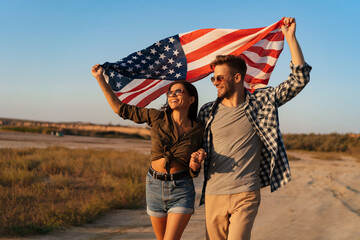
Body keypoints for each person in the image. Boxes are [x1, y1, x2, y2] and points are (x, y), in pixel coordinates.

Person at [189, 17, 312, 240]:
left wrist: (290, 38)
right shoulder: (207, 112)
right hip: (214, 193)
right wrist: (195, 161)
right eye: (213, 79)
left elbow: (299, 79)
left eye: (219, 78)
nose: (215, 82)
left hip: (246, 192)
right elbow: (195, 154)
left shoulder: (261, 102)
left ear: (237, 78)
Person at [91, 65, 205, 240]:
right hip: (154, 186)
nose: (172, 95)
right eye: (170, 92)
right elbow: (120, 109)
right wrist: (100, 79)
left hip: (181, 189)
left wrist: (195, 164)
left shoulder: (198, 130)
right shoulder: (157, 117)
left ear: (191, 99)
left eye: (178, 91)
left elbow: (193, 170)